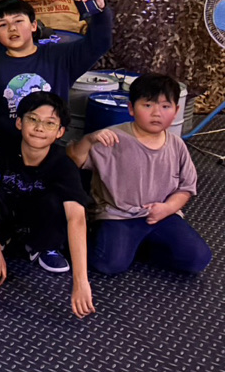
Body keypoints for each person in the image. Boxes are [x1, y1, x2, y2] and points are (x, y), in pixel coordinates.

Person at [67, 73, 211, 277]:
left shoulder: (176, 145)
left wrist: (167, 208)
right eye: (148, 105)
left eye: (165, 106)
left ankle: (140, 246)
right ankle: (102, 238)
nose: (157, 113)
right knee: (109, 264)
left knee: (197, 259)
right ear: (131, 108)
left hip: (160, 215)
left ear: (176, 111)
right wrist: (89, 140)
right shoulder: (113, 138)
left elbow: (186, 188)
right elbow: (73, 158)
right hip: (118, 215)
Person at [0, 92, 94, 318]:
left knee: (56, 202)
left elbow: (76, 218)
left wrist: (80, 281)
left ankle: (42, 247)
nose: (39, 128)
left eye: (50, 123)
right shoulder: (0, 150)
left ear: (60, 132)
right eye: (32, 119)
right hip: (4, 219)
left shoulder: (63, 164)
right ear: (19, 122)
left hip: (38, 222)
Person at [0, 0, 113, 146]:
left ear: (33, 25)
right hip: (5, 149)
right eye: (3, 24)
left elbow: (99, 43)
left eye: (18, 21)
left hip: (52, 147)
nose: (12, 28)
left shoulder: (59, 57)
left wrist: (99, 10)